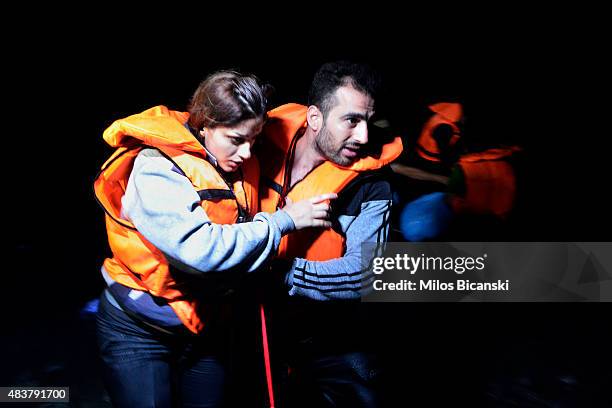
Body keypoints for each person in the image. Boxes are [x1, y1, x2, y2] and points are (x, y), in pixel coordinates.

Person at [93, 70, 336, 407]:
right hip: (141, 329)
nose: (248, 154)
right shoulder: (156, 167)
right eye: (237, 140)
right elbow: (201, 250)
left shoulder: (236, 162)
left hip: (207, 328)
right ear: (205, 124)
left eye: (255, 140)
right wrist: (284, 221)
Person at [255, 61, 403, 407]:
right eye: (351, 120)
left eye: (368, 121)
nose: (364, 136)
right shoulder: (256, 145)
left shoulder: (372, 183)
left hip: (330, 342)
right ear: (315, 118)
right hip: (252, 326)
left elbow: (366, 273)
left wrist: (286, 273)